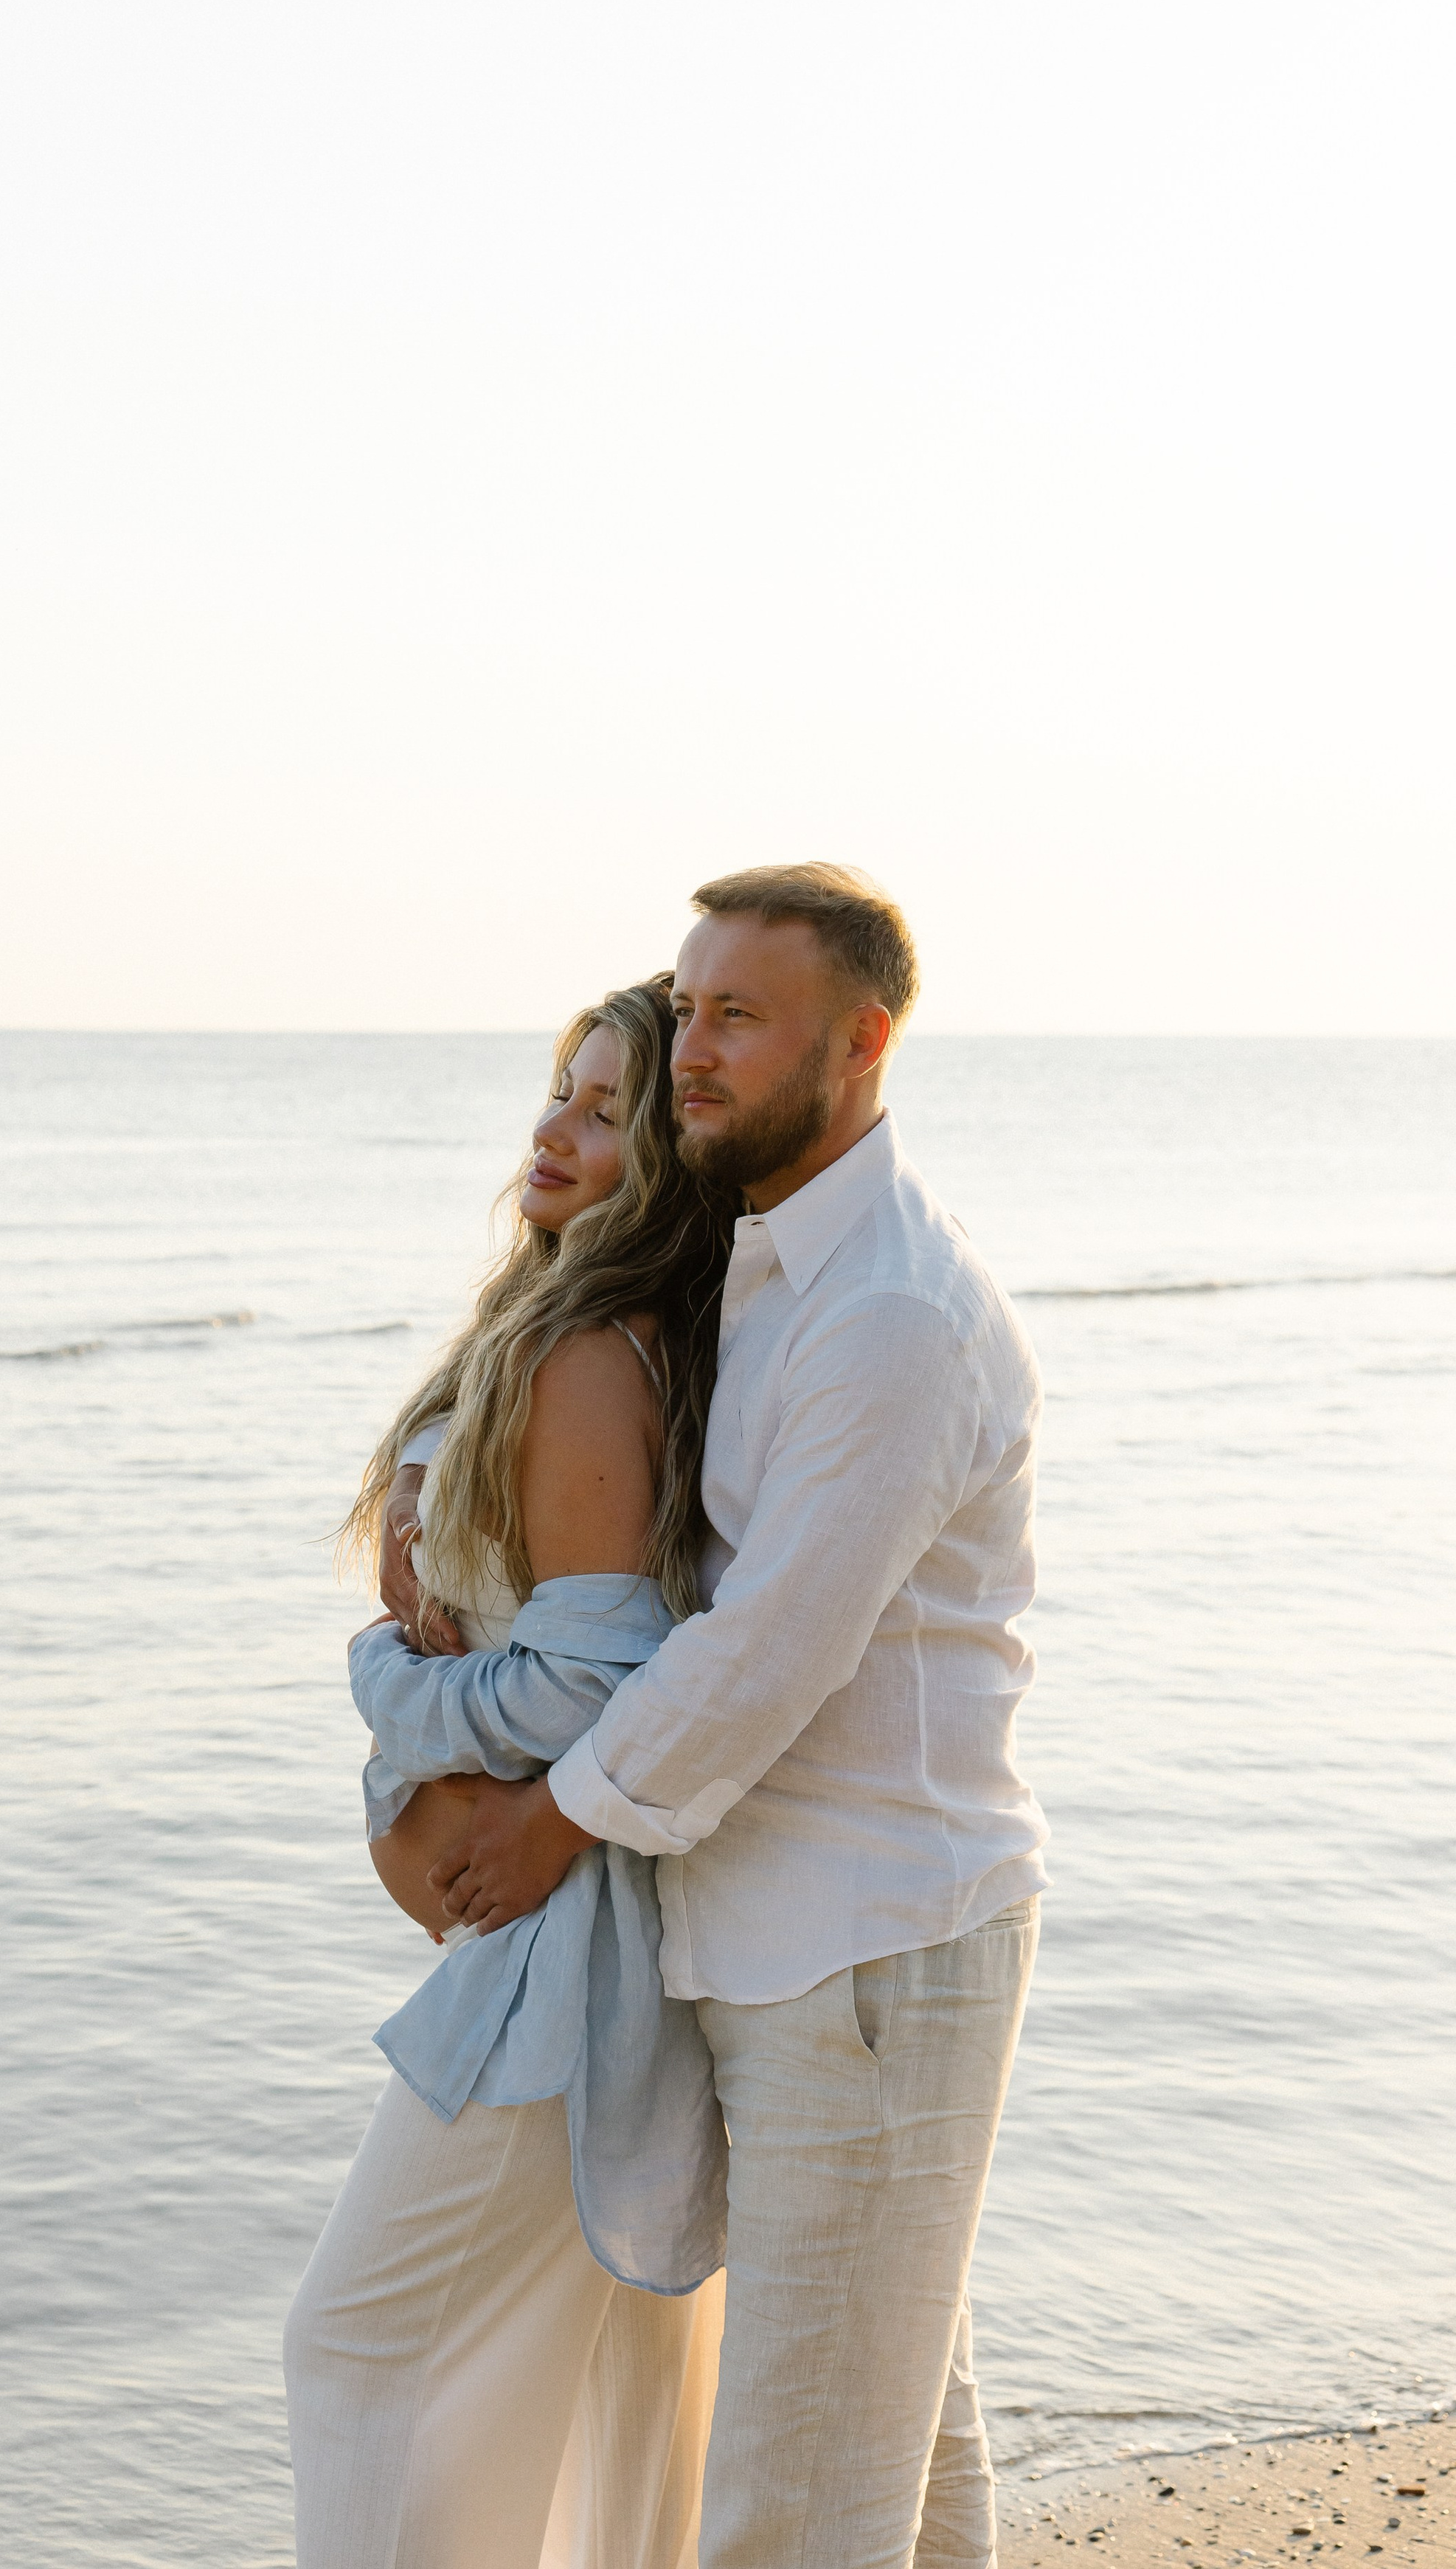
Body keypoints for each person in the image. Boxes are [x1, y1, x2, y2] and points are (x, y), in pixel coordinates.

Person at [429, 863, 1050, 2569]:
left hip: (861, 1942)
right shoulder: (772, 1272)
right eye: (687, 1007)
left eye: (738, 1016)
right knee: (899, 2464)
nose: (690, 1049)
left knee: (790, 2506)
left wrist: (547, 1813)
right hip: (788, 1937)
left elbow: (766, 1647)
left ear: (860, 1040)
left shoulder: (890, 1315)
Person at [285, 975, 738, 2569]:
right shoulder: (538, 1329)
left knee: (356, 2346)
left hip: (559, 1972)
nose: (553, 1128)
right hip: (529, 1956)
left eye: (606, 1107)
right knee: (534, 2387)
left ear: (666, 1155)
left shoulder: (586, 1355)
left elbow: (593, 1681)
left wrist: (385, 1682)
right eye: (558, 1089)